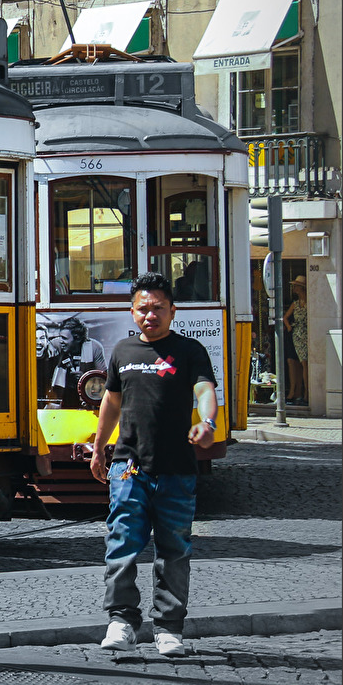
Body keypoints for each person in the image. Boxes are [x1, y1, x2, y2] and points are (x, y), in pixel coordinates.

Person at [91, 271, 218, 658]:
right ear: (132, 312)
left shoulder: (190, 351)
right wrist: (99, 448)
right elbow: (111, 403)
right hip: (127, 467)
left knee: (173, 550)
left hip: (177, 470)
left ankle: (168, 629)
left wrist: (207, 422)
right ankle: (122, 622)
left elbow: (205, 391)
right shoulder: (123, 353)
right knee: (121, 544)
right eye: (143, 309)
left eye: (158, 308)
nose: (151, 315)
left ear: (172, 311)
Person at [51, 316, 106, 409]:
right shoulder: (56, 344)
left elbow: (103, 378)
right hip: (64, 395)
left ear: (77, 339)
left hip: (87, 396)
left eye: (64, 338)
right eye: (60, 337)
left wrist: (85, 378)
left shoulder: (94, 347)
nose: (60, 341)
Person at [283, 276, 308, 406]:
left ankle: (306, 393)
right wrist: (289, 328)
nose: (294, 288)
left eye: (296, 286)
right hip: (297, 334)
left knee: (305, 364)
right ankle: (299, 392)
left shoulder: (309, 303)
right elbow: (285, 317)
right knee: (299, 362)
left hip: (307, 334)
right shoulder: (295, 304)